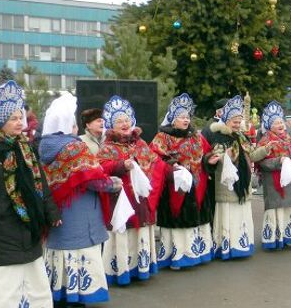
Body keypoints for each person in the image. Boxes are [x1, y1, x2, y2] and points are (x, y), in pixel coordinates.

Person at [0, 80, 61, 307]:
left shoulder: (25, 147)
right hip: (0, 227)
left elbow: (40, 185)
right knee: (6, 284)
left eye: (21, 118)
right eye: (14, 119)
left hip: (29, 226)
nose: (20, 123)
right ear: (0, 122)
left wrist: (51, 212)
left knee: (35, 282)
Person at [38, 93, 121, 305]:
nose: (76, 128)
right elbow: (91, 178)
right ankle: (77, 295)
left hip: (58, 213)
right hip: (80, 214)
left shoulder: (44, 146)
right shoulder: (74, 147)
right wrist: (113, 184)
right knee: (80, 253)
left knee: (60, 254)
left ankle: (60, 292)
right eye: (73, 124)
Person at [98, 95, 166, 285]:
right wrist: (122, 165)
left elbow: (154, 162)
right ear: (112, 125)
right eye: (119, 121)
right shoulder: (107, 147)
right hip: (120, 198)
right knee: (123, 233)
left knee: (140, 232)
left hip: (140, 199)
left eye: (127, 119)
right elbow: (102, 167)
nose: (124, 123)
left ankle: (141, 268)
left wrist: (171, 168)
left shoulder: (141, 143)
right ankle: (120, 270)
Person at [149, 93, 214, 269]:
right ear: (172, 119)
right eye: (181, 117)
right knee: (178, 218)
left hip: (198, 184)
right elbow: (155, 159)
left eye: (187, 117)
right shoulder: (162, 137)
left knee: (198, 216)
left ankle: (198, 252)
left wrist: (209, 160)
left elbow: (206, 153)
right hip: (175, 186)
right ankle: (177, 255)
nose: (185, 120)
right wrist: (173, 166)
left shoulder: (196, 136)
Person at [204, 95, 271, 259]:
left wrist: (266, 150)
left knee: (240, 215)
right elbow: (214, 157)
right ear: (226, 120)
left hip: (243, 183)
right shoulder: (219, 137)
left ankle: (241, 246)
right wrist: (218, 157)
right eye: (234, 120)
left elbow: (252, 155)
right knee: (229, 216)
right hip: (227, 186)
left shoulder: (242, 137)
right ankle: (227, 248)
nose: (237, 123)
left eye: (239, 120)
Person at [257, 101, 291, 249]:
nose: (280, 125)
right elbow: (261, 162)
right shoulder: (265, 141)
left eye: (281, 122)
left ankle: (290, 237)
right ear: (269, 126)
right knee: (276, 210)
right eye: (276, 123)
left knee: (290, 208)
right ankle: (275, 239)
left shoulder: (290, 140)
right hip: (274, 183)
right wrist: (279, 161)